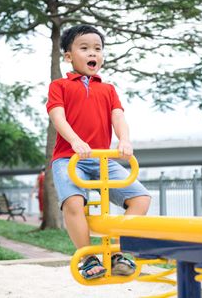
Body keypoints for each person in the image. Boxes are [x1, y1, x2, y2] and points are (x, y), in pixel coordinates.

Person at [47, 24, 151, 280]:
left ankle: (116, 251)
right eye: (84, 48)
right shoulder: (59, 85)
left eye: (97, 48)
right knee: (73, 202)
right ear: (69, 56)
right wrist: (75, 141)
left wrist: (124, 140)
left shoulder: (108, 89)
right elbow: (57, 116)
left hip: (103, 159)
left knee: (141, 198)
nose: (93, 53)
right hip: (70, 158)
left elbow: (118, 116)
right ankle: (87, 256)